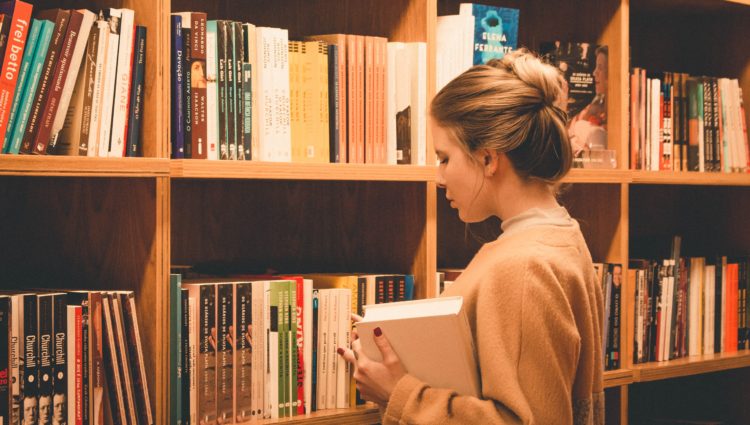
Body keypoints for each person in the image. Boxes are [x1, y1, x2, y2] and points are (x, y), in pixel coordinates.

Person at [338, 48, 604, 424]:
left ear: (488, 159)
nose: (439, 176)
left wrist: (399, 394)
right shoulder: (560, 234)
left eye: (445, 158)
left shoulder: (523, 267)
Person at [569, 46, 608, 155]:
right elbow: (569, 132)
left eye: (600, 68)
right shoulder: (596, 103)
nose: (594, 73)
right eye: (596, 67)